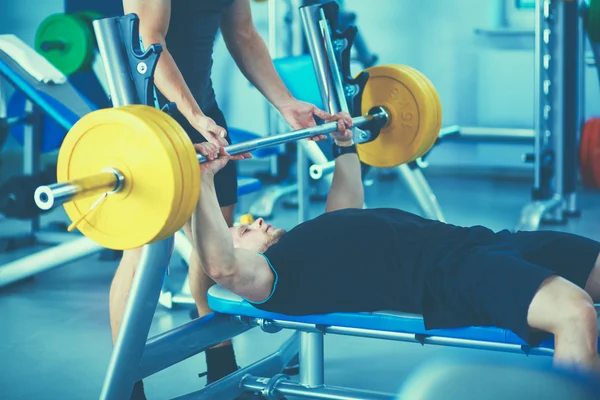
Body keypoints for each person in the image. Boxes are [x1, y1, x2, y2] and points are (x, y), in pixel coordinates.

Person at [193, 112, 600, 376]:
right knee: (574, 314)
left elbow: (347, 204)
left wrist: (345, 144)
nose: (257, 220)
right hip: (453, 274)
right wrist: (204, 179)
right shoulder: (272, 278)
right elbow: (220, 265)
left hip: (483, 241)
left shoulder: (303, 246)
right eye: (245, 230)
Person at [114, 0, 333, 398]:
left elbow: (243, 32)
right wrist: (193, 116)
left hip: (202, 108)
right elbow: (148, 38)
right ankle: (127, 386)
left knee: (215, 243)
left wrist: (285, 103)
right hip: (148, 113)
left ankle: (220, 365)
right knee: (146, 252)